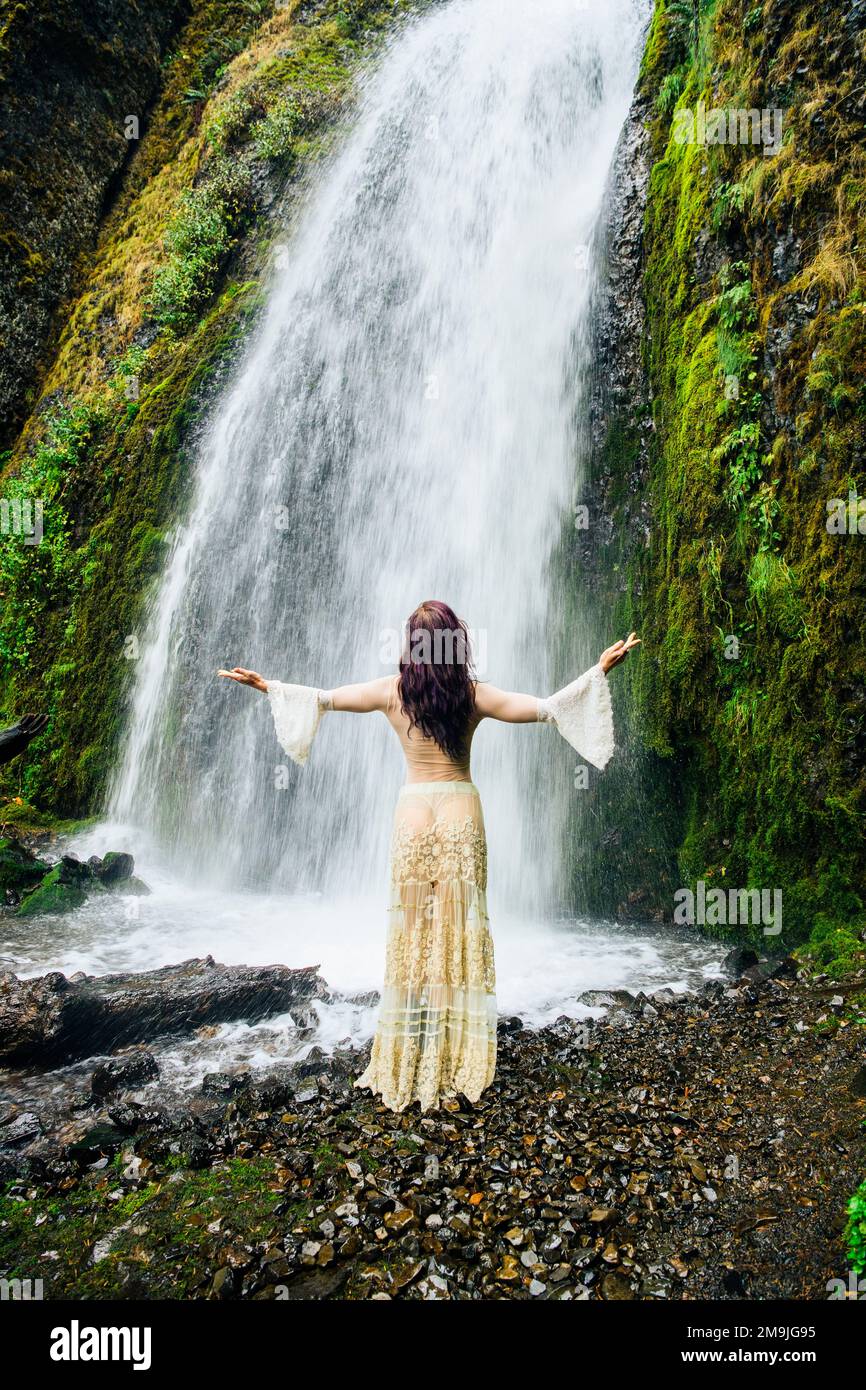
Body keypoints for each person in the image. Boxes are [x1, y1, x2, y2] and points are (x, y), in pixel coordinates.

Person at [218, 601, 639, 1112]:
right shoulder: (473, 696)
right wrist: (598, 671)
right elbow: (546, 709)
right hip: (460, 807)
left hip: (413, 811)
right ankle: (456, 1044)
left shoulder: (391, 693)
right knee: (459, 929)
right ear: (456, 644)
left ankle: (408, 1047)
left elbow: (325, 700)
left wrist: (269, 687)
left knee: (413, 933)